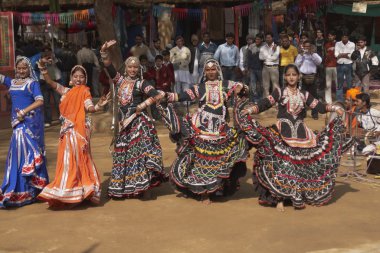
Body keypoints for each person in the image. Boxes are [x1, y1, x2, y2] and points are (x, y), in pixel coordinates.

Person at [239, 64, 351, 211]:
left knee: (298, 167)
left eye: (294, 75)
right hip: (282, 132)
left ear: (299, 77)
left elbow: (320, 107)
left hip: (301, 134)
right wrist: (250, 109)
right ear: (285, 77)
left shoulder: (304, 94)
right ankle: (279, 198)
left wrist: (335, 108)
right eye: (289, 75)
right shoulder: (280, 92)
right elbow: (266, 103)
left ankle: (297, 194)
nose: (291, 77)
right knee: (282, 165)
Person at [161, 58, 248, 205]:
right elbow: (179, 96)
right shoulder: (199, 88)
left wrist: (241, 88)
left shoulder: (226, 85)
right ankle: (204, 193)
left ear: (218, 70)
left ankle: (217, 189)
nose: (211, 72)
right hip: (202, 130)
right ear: (204, 72)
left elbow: (245, 89)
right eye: (208, 70)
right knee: (203, 161)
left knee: (220, 160)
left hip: (220, 130)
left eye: (213, 69)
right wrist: (163, 95)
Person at [37, 61, 110, 208]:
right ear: (71, 78)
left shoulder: (85, 91)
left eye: (81, 77)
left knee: (78, 160)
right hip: (66, 131)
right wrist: (44, 70)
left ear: (85, 79)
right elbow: (51, 83)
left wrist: (99, 105)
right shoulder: (66, 91)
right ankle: (69, 191)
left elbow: (89, 107)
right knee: (67, 161)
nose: (78, 79)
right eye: (75, 76)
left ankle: (79, 191)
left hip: (78, 131)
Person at [100, 40, 168, 199]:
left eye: (135, 67)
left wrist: (143, 104)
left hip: (138, 123)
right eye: (130, 66)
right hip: (123, 124)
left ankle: (144, 188)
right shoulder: (120, 80)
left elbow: (158, 94)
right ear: (126, 68)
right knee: (123, 156)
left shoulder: (142, 83)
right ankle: (126, 188)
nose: (132, 69)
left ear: (139, 69)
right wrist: (104, 52)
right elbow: (108, 67)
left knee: (140, 156)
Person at [0, 56, 49, 208]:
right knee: (17, 157)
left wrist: (24, 111)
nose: (21, 71)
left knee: (29, 157)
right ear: (16, 69)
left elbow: (40, 101)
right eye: (19, 68)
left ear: (29, 69)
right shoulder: (12, 82)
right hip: (17, 126)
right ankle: (20, 191)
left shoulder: (32, 83)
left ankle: (33, 190)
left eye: (24, 68)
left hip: (28, 125)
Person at [295, 40, 322, 119]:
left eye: (308, 46)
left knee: (314, 96)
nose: (307, 48)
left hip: (313, 77)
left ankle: (315, 114)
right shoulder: (301, 54)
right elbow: (296, 64)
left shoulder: (314, 54)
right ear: (303, 47)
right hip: (303, 77)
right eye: (305, 46)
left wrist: (312, 54)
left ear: (310, 47)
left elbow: (319, 62)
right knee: (302, 96)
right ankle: (303, 113)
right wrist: (301, 55)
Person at [334, 32, 355, 102]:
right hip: (340, 65)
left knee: (349, 83)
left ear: (348, 38)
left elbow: (351, 55)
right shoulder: (337, 43)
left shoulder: (352, 44)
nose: (344, 38)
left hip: (348, 64)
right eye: (343, 37)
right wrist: (345, 55)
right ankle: (339, 100)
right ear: (341, 38)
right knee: (340, 83)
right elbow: (336, 54)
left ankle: (350, 100)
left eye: (346, 37)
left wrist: (341, 55)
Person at [259, 32, 280, 97]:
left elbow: (275, 57)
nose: (268, 39)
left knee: (275, 85)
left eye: (269, 37)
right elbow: (260, 57)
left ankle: (275, 101)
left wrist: (266, 57)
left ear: (272, 38)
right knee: (265, 85)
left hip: (274, 67)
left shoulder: (277, 47)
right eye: (266, 38)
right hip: (265, 67)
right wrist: (271, 55)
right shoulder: (263, 47)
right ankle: (266, 101)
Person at [246, 33, 264, 102]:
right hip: (252, 69)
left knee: (261, 85)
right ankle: (254, 99)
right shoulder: (251, 46)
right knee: (253, 85)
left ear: (262, 40)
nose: (257, 40)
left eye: (258, 39)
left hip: (261, 69)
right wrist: (248, 68)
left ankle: (261, 99)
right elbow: (248, 58)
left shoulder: (265, 46)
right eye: (256, 39)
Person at [324, 31, 338, 104]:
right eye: (329, 36)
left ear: (334, 36)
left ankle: (338, 99)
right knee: (328, 84)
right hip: (328, 66)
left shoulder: (338, 44)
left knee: (337, 84)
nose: (330, 37)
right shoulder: (326, 45)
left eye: (331, 36)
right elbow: (325, 55)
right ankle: (328, 100)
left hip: (337, 66)